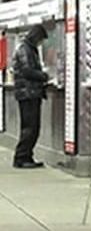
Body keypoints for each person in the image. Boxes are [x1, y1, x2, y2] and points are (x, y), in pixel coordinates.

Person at [12, 25, 49, 169]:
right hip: (28, 93)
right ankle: (21, 157)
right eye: (40, 40)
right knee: (30, 127)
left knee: (32, 127)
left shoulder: (27, 48)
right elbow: (27, 70)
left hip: (30, 92)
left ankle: (26, 156)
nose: (40, 43)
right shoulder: (25, 49)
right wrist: (43, 76)